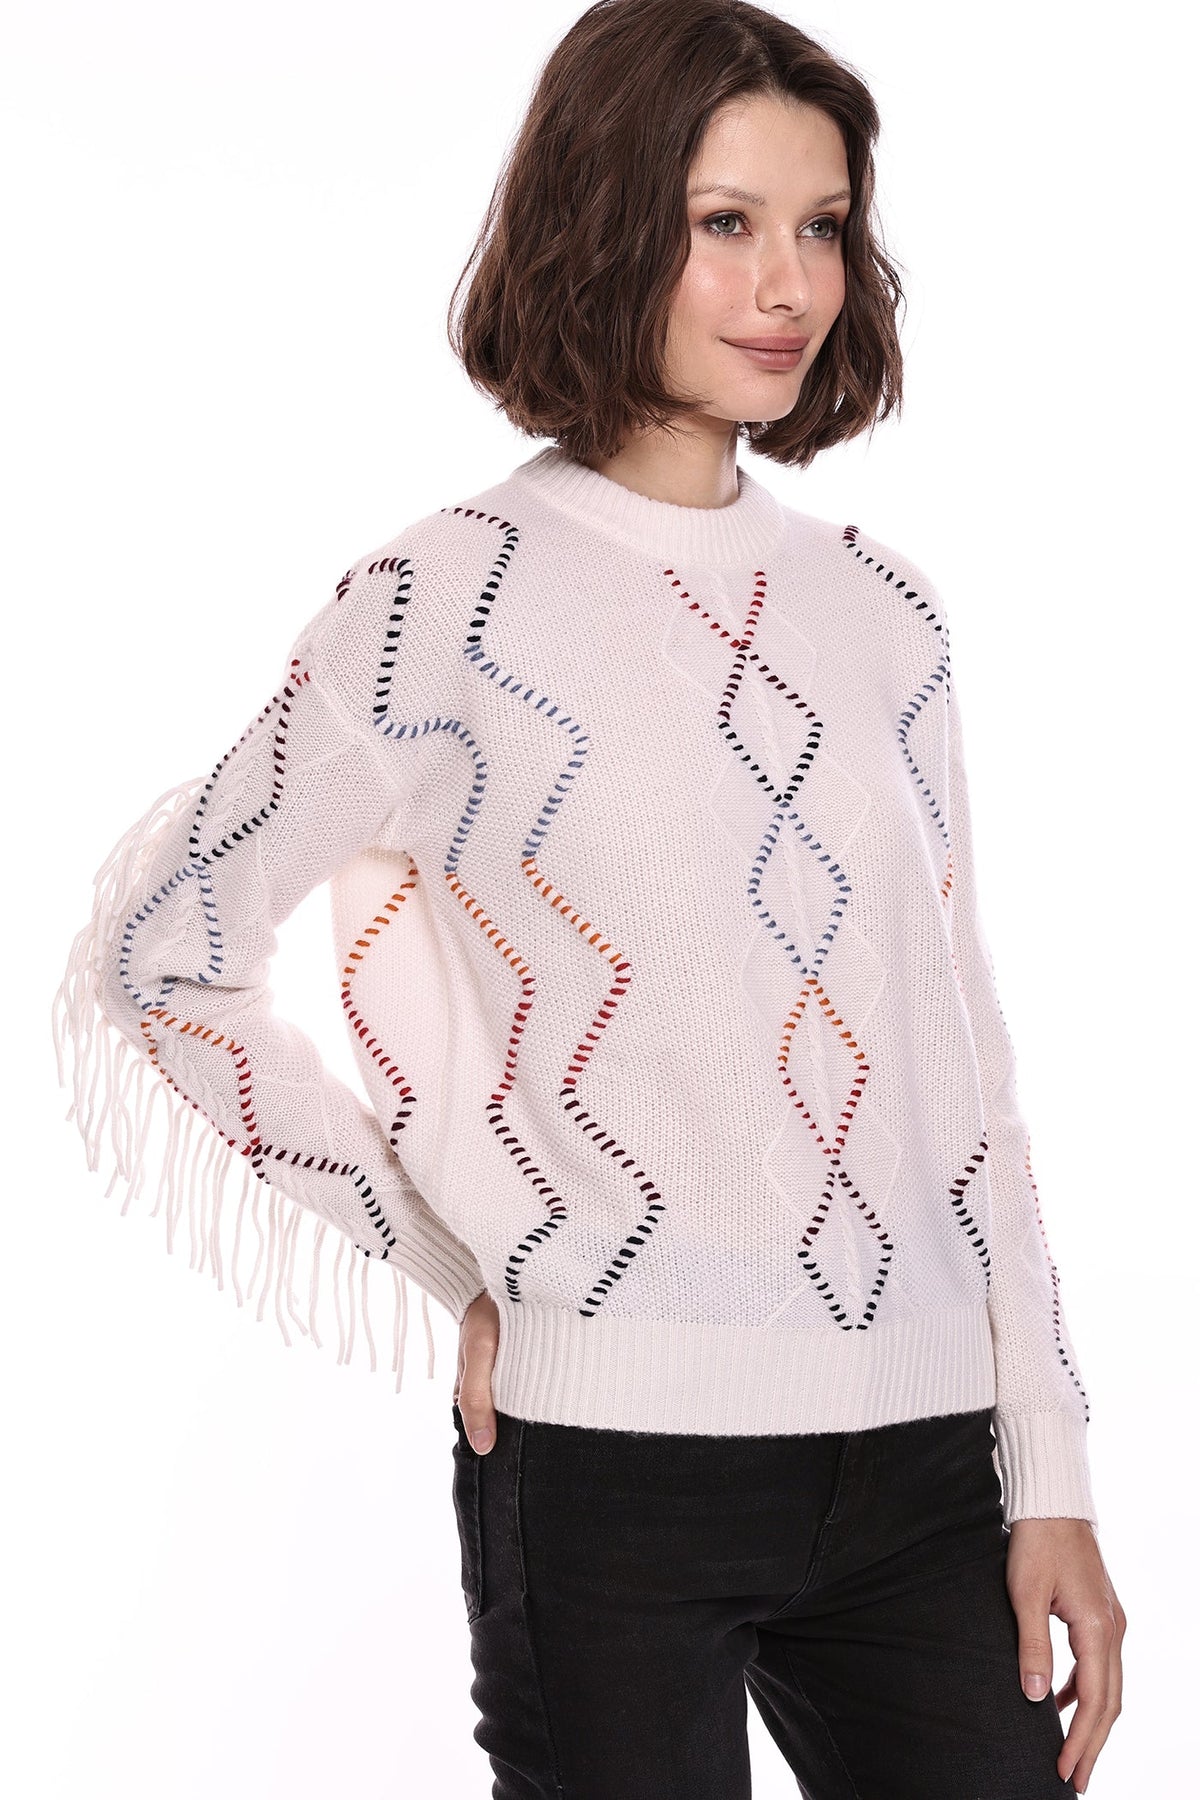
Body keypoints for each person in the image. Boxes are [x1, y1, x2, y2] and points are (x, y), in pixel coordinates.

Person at [52, 2, 1125, 1795]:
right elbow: (163, 956)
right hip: (613, 1474)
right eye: (726, 223)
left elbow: (969, 1080)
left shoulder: (884, 613)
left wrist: (1055, 1470)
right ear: (606, 223)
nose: (788, 284)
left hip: (928, 1471)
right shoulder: (442, 605)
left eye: (823, 226)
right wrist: (446, 1256)